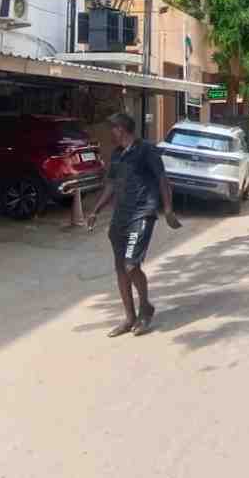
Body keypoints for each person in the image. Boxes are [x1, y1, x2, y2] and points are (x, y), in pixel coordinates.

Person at [87, 112, 181, 337]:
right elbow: (111, 185)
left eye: (112, 129)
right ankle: (129, 317)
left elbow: (162, 179)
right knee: (120, 268)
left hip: (142, 213)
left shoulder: (147, 150)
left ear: (121, 129)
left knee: (131, 265)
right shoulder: (117, 154)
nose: (110, 133)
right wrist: (95, 210)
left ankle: (145, 308)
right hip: (120, 216)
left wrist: (168, 208)